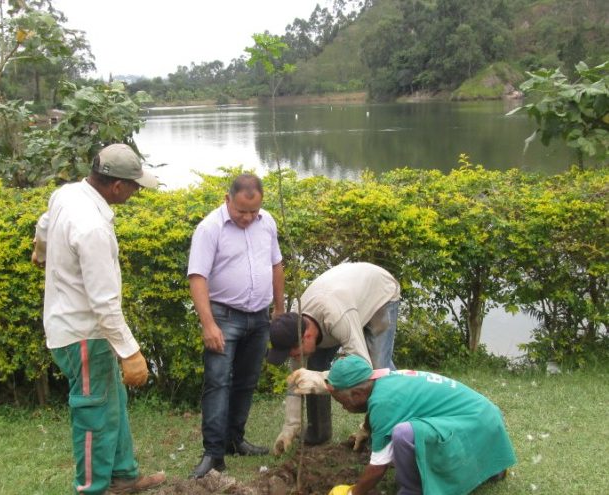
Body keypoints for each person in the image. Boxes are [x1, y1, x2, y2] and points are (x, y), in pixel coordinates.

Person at [32, 143, 166, 495]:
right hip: (84, 334)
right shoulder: (93, 227)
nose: (137, 193)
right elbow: (104, 303)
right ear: (117, 186)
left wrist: (40, 248)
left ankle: (123, 477)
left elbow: (45, 222)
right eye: (135, 186)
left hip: (81, 328)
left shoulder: (68, 194)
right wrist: (130, 352)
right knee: (93, 413)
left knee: (112, 404)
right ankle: (92, 488)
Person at [187, 173, 285, 479]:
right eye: (241, 211)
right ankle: (213, 454)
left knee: (246, 381)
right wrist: (208, 324)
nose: (247, 218)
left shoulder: (266, 222)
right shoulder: (210, 228)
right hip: (223, 317)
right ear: (228, 199)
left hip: (259, 317)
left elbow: (276, 264)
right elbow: (197, 278)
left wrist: (279, 309)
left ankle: (234, 440)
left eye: (253, 212)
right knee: (218, 382)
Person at [308, 355, 517, 495]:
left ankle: (413, 490)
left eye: (342, 402)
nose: (344, 408)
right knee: (407, 430)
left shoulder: (384, 402)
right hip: (484, 419)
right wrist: (367, 429)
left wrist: (353, 492)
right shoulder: (384, 380)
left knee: (403, 434)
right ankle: (492, 467)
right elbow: (377, 412)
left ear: (357, 393)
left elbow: (378, 466)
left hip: (475, 423)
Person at [267, 262, 400, 454]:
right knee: (311, 368)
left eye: (294, 353)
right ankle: (318, 434)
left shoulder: (336, 316)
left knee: (379, 369)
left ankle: (381, 431)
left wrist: (321, 381)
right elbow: (297, 378)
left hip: (379, 293)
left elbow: (363, 367)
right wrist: (290, 427)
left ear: (308, 337)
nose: (293, 357)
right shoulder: (295, 325)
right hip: (347, 297)